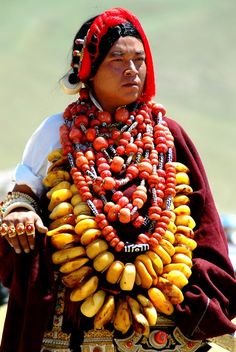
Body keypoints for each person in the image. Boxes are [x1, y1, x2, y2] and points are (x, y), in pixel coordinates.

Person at [0, 7, 235, 352]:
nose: (132, 70)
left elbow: (203, 221)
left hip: (164, 321)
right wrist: (21, 211)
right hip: (74, 324)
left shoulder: (167, 135)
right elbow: (21, 196)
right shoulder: (56, 132)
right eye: (117, 60)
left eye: (139, 59)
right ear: (88, 69)